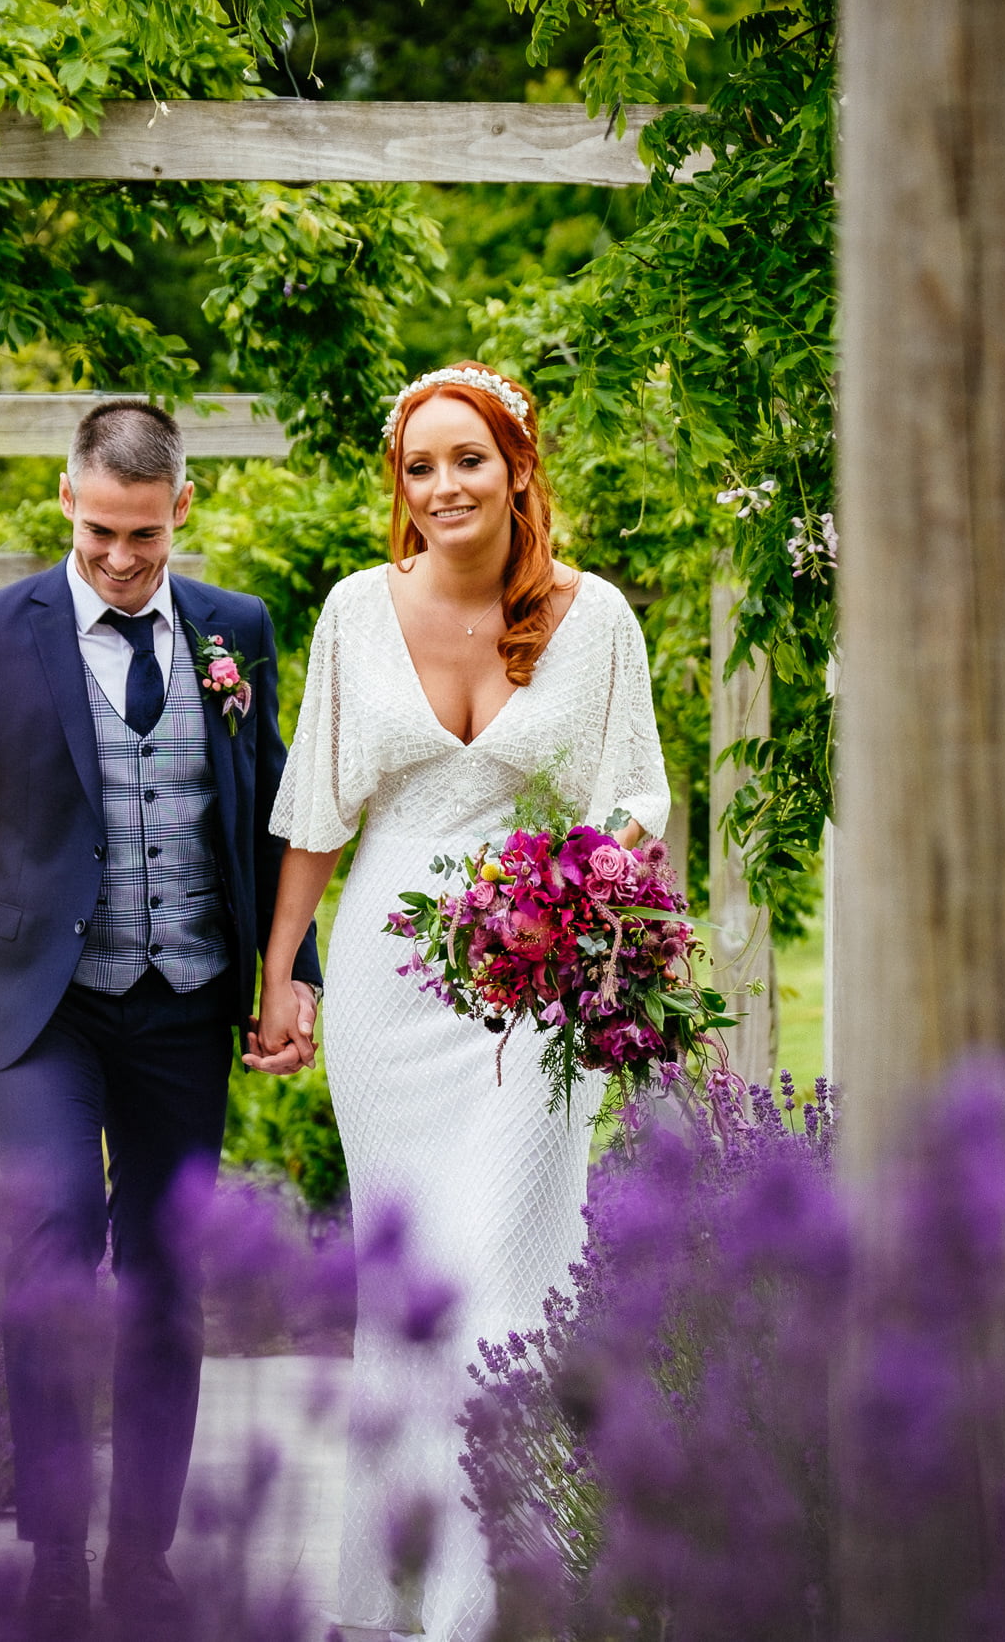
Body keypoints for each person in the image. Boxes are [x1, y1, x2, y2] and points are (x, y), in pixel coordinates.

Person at [0, 399, 323, 1642]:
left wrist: (295, 975)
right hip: (42, 1009)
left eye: (141, 533)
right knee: (53, 1245)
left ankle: (142, 1554)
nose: (120, 558)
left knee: (169, 1278)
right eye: (97, 534)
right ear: (64, 504)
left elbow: (268, 816)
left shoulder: (237, 632)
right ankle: (55, 1553)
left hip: (185, 1000)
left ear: (179, 507)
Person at [256, 363, 673, 1641]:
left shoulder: (593, 619)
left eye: (468, 459)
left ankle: (501, 1599)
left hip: (536, 996)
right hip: (391, 993)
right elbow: (316, 809)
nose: (443, 486)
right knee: (415, 1293)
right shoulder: (350, 612)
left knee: (507, 1281)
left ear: (517, 467)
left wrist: (608, 943)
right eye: (420, 466)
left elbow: (631, 805)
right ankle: (406, 1585)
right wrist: (284, 972)